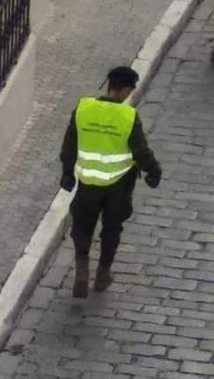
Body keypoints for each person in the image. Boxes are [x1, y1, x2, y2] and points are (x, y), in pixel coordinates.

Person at [59, 65, 162, 297]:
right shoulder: (128, 116)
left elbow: (69, 143)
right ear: (125, 89)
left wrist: (67, 172)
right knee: (112, 228)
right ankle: (103, 274)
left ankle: (82, 268)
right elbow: (140, 151)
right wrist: (153, 171)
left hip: (88, 182)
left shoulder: (84, 108)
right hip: (119, 185)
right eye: (131, 90)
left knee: (83, 225)